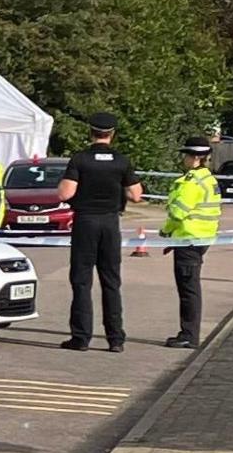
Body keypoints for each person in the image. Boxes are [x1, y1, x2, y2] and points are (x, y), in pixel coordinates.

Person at [55, 118, 141, 350]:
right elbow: (136, 194)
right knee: (111, 281)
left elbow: (65, 193)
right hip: (110, 223)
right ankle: (115, 339)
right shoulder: (121, 161)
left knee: (82, 281)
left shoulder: (81, 159)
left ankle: (81, 337)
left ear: (91, 132)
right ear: (111, 134)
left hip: (86, 222)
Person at [158, 136, 223, 346]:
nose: (184, 159)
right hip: (199, 238)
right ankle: (188, 333)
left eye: (186, 155)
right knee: (190, 287)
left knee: (188, 289)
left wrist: (166, 231)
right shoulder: (208, 179)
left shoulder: (191, 182)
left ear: (196, 158)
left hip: (189, 239)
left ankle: (189, 335)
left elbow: (178, 213)